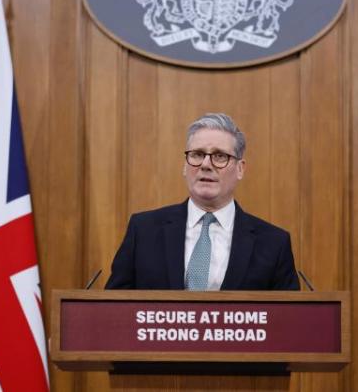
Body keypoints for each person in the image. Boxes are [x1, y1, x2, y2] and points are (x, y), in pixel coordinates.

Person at [105, 113, 299, 290]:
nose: (206, 165)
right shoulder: (143, 231)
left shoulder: (274, 243)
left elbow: (288, 315)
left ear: (240, 169)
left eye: (220, 156)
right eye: (197, 154)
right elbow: (114, 308)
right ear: (185, 165)